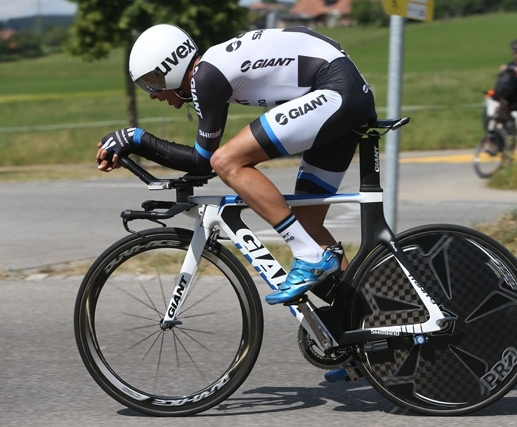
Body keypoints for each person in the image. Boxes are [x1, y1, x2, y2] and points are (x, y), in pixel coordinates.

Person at [95, 24, 377, 305]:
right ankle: (363, 316)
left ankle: (309, 257)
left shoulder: (206, 76)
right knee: (307, 228)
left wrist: (136, 138)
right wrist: (135, 142)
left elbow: (203, 161)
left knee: (226, 161)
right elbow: (201, 159)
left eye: (152, 82)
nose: (152, 94)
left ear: (170, 68)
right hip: (344, 94)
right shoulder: (214, 70)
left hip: (336, 92)